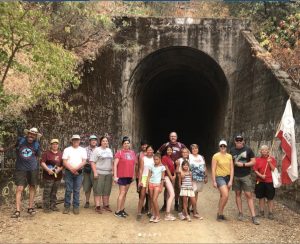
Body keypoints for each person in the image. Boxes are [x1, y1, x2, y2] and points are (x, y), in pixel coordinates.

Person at [11, 127, 42, 218]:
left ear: (35, 136)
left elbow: (37, 155)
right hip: (20, 168)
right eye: (30, 134)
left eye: (33, 135)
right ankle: (17, 210)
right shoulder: (20, 140)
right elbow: (14, 147)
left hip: (32, 168)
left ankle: (30, 207)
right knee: (19, 188)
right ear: (27, 134)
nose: (31, 136)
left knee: (32, 187)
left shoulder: (37, 144)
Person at [230, 135, 259, 225]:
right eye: (237, 140)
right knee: (238, 194)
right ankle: (240, 213)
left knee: (248, 194)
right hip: (236, 176)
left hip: (246, 175)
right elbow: (229, 162)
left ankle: (253, 216)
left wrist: (243, 165)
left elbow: (254, 161)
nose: (239, 142)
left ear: (243, 141)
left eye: (240, 140)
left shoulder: (248, 149)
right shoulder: (232, 150)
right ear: (235, 141)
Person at [157, 132, 187, 211]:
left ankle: (176, 204)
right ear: (169, 137)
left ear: (177, 137)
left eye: (174, 136)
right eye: (171, 136)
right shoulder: (166, 145)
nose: (173, 137)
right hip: (167, 170)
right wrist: (159, 162)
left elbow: (188, 153)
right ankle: (165, 204)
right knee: (167, 188)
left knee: (177, 187)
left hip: (177, 170)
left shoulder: (181, 145)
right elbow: (158, 153)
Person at [62, 135, 87, 215]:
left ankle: (76, 206)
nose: (76, 141)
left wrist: (76, 169)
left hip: (79, 172)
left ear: (79, 141)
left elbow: (84, 161)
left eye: (77, 140)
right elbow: (64, 162)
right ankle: (67, 206)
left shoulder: (83, 150)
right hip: (69, 172)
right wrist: (72, 169)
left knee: (76, 190)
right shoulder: (67, 149)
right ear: (71, 140)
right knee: (68, 190)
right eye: (74, 140)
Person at [113, 136, 137, 218]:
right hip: (122, 176)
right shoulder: (119, 153)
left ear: (130, 144)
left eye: (128, 143)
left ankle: (122, 209)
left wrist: (133, 174)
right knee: (122, 193)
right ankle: (117, 211)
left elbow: (133, 165)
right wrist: (115, 176)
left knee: (125, 194)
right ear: (122, 144)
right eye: (125, 143)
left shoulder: (132, 153)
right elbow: (115, 165)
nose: (126, 144)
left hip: (129, 176)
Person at [211, 140, 234, 221]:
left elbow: (232, 169)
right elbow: (213, 169)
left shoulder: (229, 156)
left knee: (223, 196)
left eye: (224, 146)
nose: (223, 147)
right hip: (219, 177)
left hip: (228, 177)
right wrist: (214, 181)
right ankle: (220, 213)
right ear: (219, 147)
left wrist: (231, 180)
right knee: (226, 195)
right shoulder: (215, 156)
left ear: (226, 147)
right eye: (221, 146)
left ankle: (220, 213)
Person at [90, 136, 114, 213]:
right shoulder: (97, 150)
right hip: (99, 173)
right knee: (98, 190)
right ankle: (98, 206)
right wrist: (95, 172)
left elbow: (112, 162)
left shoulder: (109, 150)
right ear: (100, 142)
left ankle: (106, 205)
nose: (105, 142)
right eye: (103, 141)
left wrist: (113, 171)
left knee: (107, 190)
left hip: (108, 173)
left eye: (106, 141)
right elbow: (92, 162)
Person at [253, 145, 277, 220]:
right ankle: (261, 211)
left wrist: (269, 163)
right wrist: (260, 176)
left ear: (268, 151)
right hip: (260, 181)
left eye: (265, 150)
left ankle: (270, 213)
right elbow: (255, 170)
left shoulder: (272, 159)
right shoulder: (257, 160)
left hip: (269, 181)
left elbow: (273, 169)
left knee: (270, 198)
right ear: (260, 151)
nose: (264, 151)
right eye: (262, 150)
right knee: (261, 197)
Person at [40, 139, 63, 213]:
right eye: (53, 144)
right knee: (47, 191)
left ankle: (53, 205)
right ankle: (46, 207)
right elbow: (42, 163)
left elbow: (63, 165)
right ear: (51, 145)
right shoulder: (46, 154)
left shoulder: (61, 154)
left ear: (58, 145)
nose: (55, 145)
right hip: (48, 176)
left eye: (56, 144)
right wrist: (48, 170)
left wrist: (59, 170)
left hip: (58, 176)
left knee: (54, 191)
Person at [146, 153, 166, 223]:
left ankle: (158, 216)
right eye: (154, 159)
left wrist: (161, 186)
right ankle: (154, 215)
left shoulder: (162, 167)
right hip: (151, 184)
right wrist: (147, 186)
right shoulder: (151, 166)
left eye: (157, 159)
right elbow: (149, 176)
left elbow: (163, 178)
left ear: (160, 159)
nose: (155, 161)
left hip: (157, 184)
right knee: (151, 200)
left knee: (154, 199)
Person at [189, 144, 208, 214]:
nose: (194, 150)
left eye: (196, 148)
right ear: (191, 150)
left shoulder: (201, 157)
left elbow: (204, 166)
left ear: (198, 149)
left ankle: (193, 208)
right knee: (192, 193)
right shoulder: (189, 156)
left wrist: (206, 176)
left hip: (200, 178)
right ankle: (193, 209)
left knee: (196, 193)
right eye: (193, 148)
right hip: (192, 178)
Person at [137, 145, 154, 221]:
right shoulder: (143, 158)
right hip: (144, 177)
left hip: (152, 178)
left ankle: (150, 212)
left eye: (151, 150)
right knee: (142, 196)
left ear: (153, 151)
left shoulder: (155, 158)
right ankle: (139, 212)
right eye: (148, 150)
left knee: (151, 196)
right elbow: (140, 170)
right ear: (146, 151)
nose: (150, 151)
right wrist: (139, 181)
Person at [161, 146, 176, 221]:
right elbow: (166, 168)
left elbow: (173, 169)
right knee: (172, 194)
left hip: (170, 178)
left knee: (168, 195)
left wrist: (174, 176)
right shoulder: (164, 157)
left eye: (171, 150)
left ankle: (168, 212)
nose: (169, 151)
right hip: (167, 177)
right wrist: (171, 177)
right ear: (166, 151)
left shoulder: (171, 158)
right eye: (168, 150)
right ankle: (167, 215)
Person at [83, 135, 98, 209]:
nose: (94, 141)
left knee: (96, 186)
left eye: (95, 140)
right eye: (92, 140)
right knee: (87, 186)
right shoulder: (85, 149)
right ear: (89, 141)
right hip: (87, 169)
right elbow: (83, 159)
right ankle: (87, 201)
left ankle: (97, 203)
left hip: (96, 169)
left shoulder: (99, 149)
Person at [175, 147, 190, 220]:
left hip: (187, 181)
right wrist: (181, 172)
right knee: (181, 196)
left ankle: (185, 211)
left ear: (188, 153)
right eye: (183, 152)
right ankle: (180, 212)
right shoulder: (179, 160)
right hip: (180, 180)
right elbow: (177, 170)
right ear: (181, 153)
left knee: (186, 196)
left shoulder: (188, 160)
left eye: (186, 152)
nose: (185, 153)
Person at [136, 140, 150, 213]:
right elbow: (136, 165)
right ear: (141, 146)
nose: (144, 146)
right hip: (140, 176)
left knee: (148, 192)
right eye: (143, 145)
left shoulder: (151, 155)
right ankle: (141, 207)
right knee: (140, 192)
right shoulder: (139, 154)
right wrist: (136, 175)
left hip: (148, 176)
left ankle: (147, 205)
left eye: (145, 145)